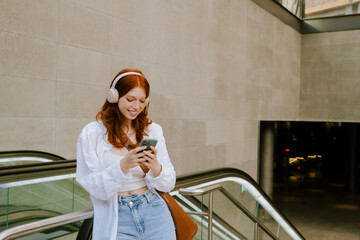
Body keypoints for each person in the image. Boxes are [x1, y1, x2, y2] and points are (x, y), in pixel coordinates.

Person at [76, 69, 176, 240]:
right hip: (118, 218)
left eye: (142, 101)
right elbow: (90, 183)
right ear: (114, 96)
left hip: (155, 211)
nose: (136, 107)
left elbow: (169, 183)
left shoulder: (152, 130)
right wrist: (123, 165)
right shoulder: (92, 133)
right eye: (130, 99)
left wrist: (155, 166)